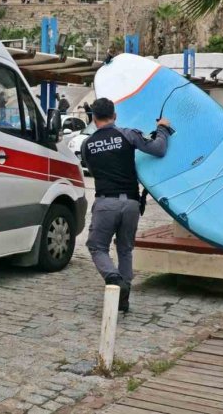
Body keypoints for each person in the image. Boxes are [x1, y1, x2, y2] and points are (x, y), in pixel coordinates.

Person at [82, 97, 171, 313]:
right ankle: (124, 297)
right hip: (131, 203)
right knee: (125, 249)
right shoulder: (128, 134)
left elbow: (93, 172)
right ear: (115, 115)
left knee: (97, 246)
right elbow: (159, 149)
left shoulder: (87, 144)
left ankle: (114, 279)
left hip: (105, 203)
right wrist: (163, 129)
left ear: (93, 118)